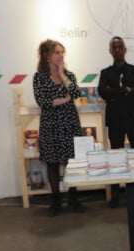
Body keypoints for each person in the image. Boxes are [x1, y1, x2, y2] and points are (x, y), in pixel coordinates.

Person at [98, 36, 134, 208]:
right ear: (110, 51)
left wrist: (115, 94)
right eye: (114, 48)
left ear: (125, 49)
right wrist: (124, 90)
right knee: (115, 156)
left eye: (120, 47)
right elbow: (102, 92)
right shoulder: (105, 73)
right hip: (115, 121)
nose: (117, 50)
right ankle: (115, 193)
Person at [33, 39, 85, 216]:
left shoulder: (69, 75)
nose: (61, 55)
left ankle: (73, 198)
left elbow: (77, 94)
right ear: (47, 55)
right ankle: (55, 200)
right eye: (57, 52)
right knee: (53, 163)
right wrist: (63, 99)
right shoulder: (39, 77)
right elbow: (43, 101)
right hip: (51, 124)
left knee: (72, 162)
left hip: (69, 122)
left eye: (63, 52)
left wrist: (62, 74)